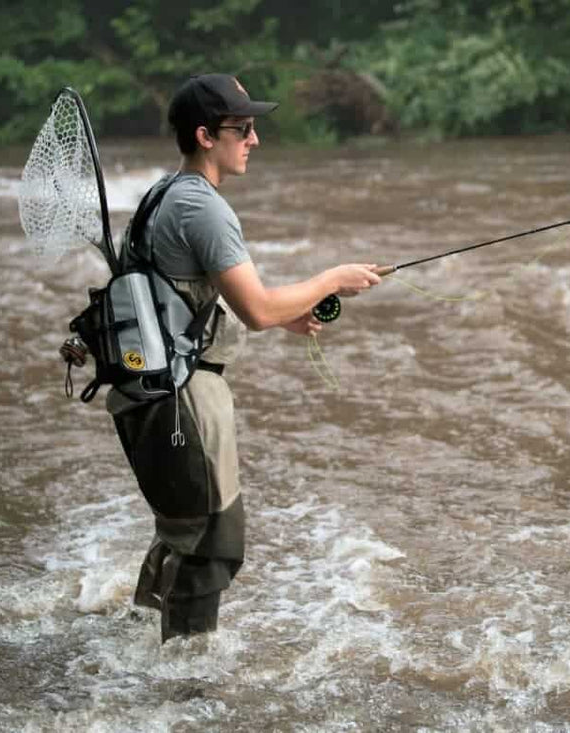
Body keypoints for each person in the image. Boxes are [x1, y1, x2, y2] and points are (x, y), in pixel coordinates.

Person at [107, 73, 382, 642]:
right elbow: (254, 308)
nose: (254, 140)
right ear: (207, 135)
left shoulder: (164, 192)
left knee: (181, 528)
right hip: (184, 398)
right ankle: (187, 683)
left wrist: (287, 315)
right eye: (244, 128)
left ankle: (137, 640)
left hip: (150, 391)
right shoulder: (203, 210)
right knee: (211, 539)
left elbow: (186, 300)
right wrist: (333, 276)